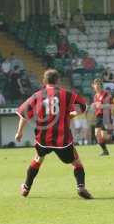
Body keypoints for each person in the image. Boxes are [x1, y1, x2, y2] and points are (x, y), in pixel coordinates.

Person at [14, 69, 93, 199]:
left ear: (44, 81)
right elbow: (83, 106)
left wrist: (19, 132)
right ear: (58, 80)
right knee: (76, 163)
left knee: (38, 159)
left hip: (43, 139)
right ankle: (81, 187)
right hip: (63, 140)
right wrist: (72, 114)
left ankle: (26, 188)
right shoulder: (66, 94)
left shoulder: (37, 95)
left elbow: (24, 114)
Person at [92, 78, 114, 156]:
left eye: (99, 84)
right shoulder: (95, 96)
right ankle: (105, 151)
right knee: (97, 134)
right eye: (96, 84)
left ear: (101, 85)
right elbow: (97, 106)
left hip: (106, 117)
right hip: (98, 117)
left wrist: (102, 106)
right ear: (93, 86)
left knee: (105, 137)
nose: (97, 86)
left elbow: (113, 106)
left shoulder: (106, 94)